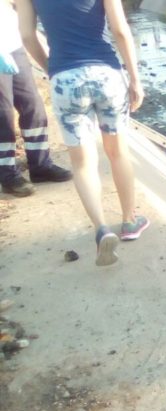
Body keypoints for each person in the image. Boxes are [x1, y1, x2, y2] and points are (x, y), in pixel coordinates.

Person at [16, 0, 149, 266]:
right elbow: (120, 29)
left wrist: (50, 67)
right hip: (106, 74)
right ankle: (129, 221)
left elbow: (27, 36)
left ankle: (101, 229)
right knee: (118, 152)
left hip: (65, 78)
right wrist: (135, 78)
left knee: (83, 163)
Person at [1, 0, 71, 197]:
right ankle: (7, 174)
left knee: (33, 106)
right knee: (3, 114)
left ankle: (40, 165)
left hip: (13, 44)